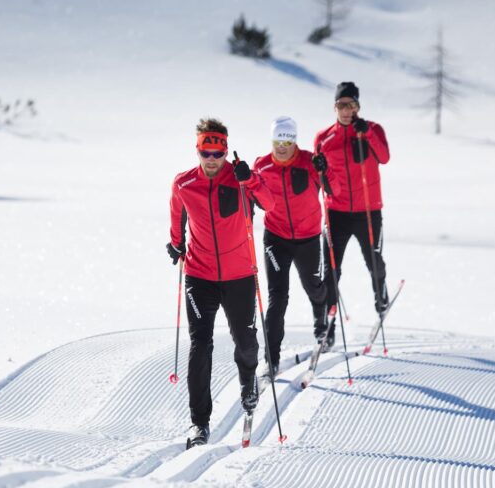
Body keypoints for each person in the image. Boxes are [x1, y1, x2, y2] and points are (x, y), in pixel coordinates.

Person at [167, 118, 275, 448]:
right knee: (201, 346)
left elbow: (271, 205)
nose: (212, 158)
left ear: (225, 150)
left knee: (246, 341)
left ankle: (248, 380)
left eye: (217, 152)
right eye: (206, 152)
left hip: (240, 275)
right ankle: (199, 423)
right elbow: (177, 220)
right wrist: (175, 244)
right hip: (199, 276)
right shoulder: (184, 184)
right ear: (198, 150)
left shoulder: (241, 179)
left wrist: (253, 180)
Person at [252, 116, 339, 378]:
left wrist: (326, 170)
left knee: (314, 286)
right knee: (277, 298)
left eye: (288, 140)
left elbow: (332, 189)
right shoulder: (262, 165)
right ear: (272, 140)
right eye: (278, 140)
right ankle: (271, 358)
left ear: (295, 141)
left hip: (308, 237)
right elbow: (254, 195)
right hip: (275, 239)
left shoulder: (310, 162)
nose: (282, 146)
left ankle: (321, 321)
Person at [313, 81, 391, 349]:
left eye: (352, 105)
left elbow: (384, 157)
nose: (346, 110)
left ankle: (380, 295)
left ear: (358, 106)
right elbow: (320, 180)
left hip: (369, 211)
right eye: (341, 105)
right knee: (331, 270)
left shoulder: (373, 129)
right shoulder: (323, 138)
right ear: (334, 107)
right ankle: (329, 322)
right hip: (337, 213)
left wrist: (367, 133)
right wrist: (319, 170)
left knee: (374, 262)